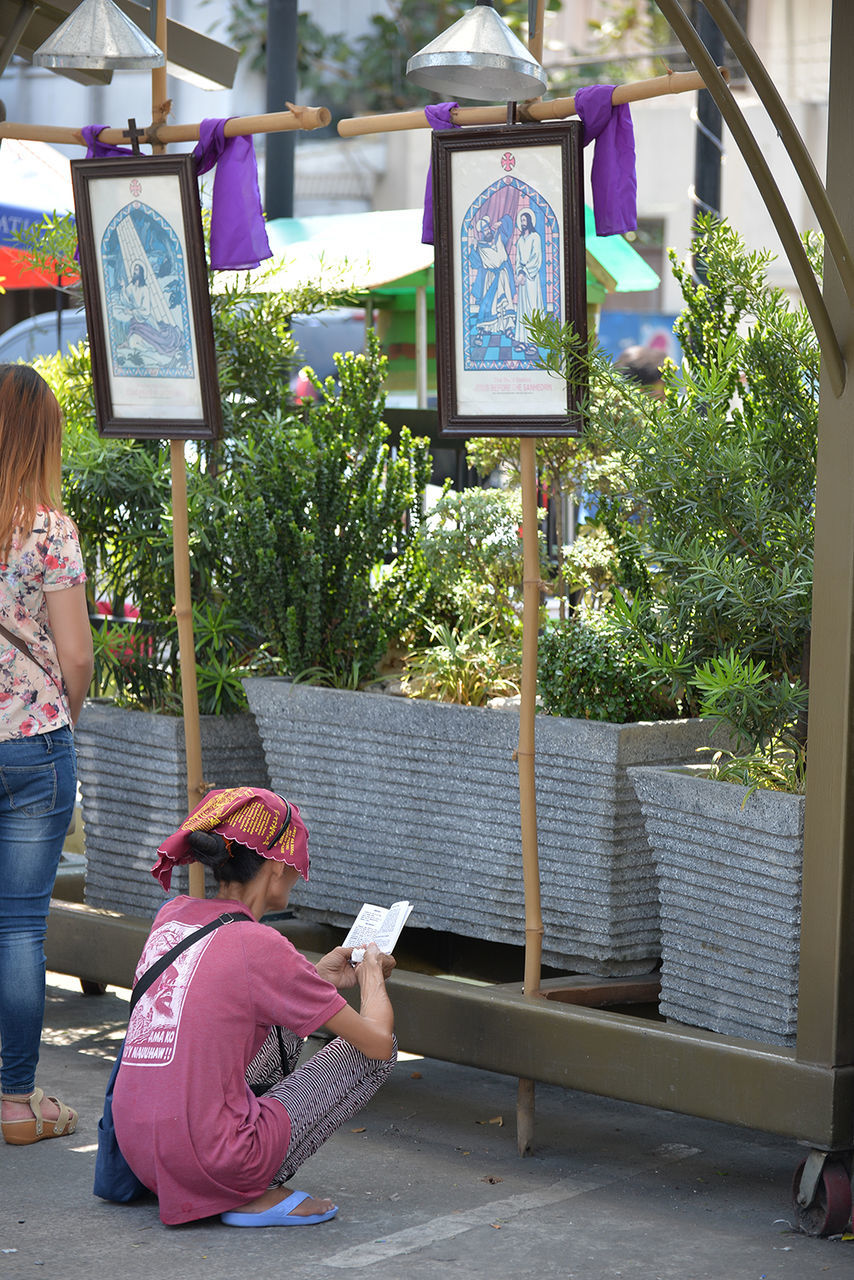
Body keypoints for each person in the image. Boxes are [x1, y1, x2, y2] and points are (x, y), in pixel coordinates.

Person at [111, 786, 397, 1228]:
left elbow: (231, 1000)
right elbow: (376, 1042)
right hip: (214, 1158)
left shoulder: (172, 916)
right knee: (373, 1051)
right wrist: (372, 972)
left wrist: (318, 980)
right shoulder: (260, 945)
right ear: (279, 868)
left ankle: (208, 1179)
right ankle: (245, 1192)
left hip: (141, 1152)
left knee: (280, 1025)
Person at [0, 364, 94, 1146]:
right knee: (19, 929)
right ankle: (14, 1100)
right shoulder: (48, 530)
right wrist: (67, 711)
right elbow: (79, 657)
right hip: (33, 746)